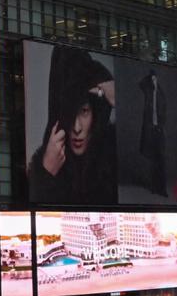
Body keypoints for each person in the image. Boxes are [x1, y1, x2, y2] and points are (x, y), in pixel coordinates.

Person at [29, 48, 118, 204]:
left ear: (95, 114)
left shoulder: (112, 153)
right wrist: (46, 172)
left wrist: (117, 96)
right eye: (70, 113)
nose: (77, 128)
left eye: (84, 111)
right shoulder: (45, 162)